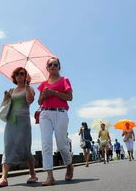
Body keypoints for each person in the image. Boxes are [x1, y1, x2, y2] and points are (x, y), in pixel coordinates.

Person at [0, 67, 37, 188]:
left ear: (26, 76)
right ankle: (4, 178)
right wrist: (6, 97)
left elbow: (29, 101)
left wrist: (28, 85)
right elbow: (5, 105)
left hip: (23, 123)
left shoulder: (30, 89)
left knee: (25, 148)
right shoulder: (12, 90)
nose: (19, 75)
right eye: (17, 74)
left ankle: (33, 174)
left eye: (22, 73)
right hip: (11, 122)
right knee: (8, 146)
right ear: (14, 77)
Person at [38, 57, 74, 186]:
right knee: (46, 143)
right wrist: (43, 95)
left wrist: (53, 92)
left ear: (59, 67)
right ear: (47, 68)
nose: (53, 66)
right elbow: (39, 102)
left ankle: (69, 164)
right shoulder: (43, 84)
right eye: (50, 64)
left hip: (61, 113)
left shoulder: (64, 80)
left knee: (61, 144)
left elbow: (69, 97)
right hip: (45, 114)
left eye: (55, 64)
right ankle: (50, 176)